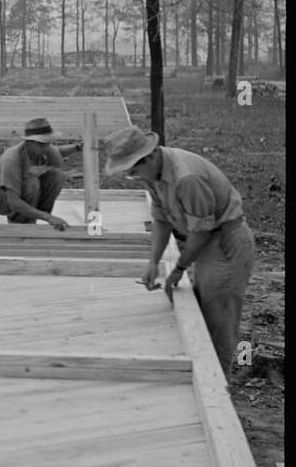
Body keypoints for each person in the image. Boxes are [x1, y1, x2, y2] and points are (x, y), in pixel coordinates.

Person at [104, 125, 255, 374]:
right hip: (207, 243)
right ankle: (209, 372)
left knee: (219, 320)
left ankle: (218, 388)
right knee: (205, 309)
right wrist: (153, 262)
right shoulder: (154, 174)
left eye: (134, 170)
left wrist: (178, 268)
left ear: (149, 157)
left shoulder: (187, 178)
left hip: (226, 243)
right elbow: (161, 220)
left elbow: (202, 231)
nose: (134, 176)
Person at [0, 117, 77, 230]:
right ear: (29, 143)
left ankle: (32, 217)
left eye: (48, 143)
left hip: (24, 192)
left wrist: (78, 147)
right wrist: (48, 217)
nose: (46, 148)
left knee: (57, 176)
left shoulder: (45, 149)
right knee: (31, 183)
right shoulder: (12, 158)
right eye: (42, 144)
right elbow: (14, 202)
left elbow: (59, 151)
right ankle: (20, 226)